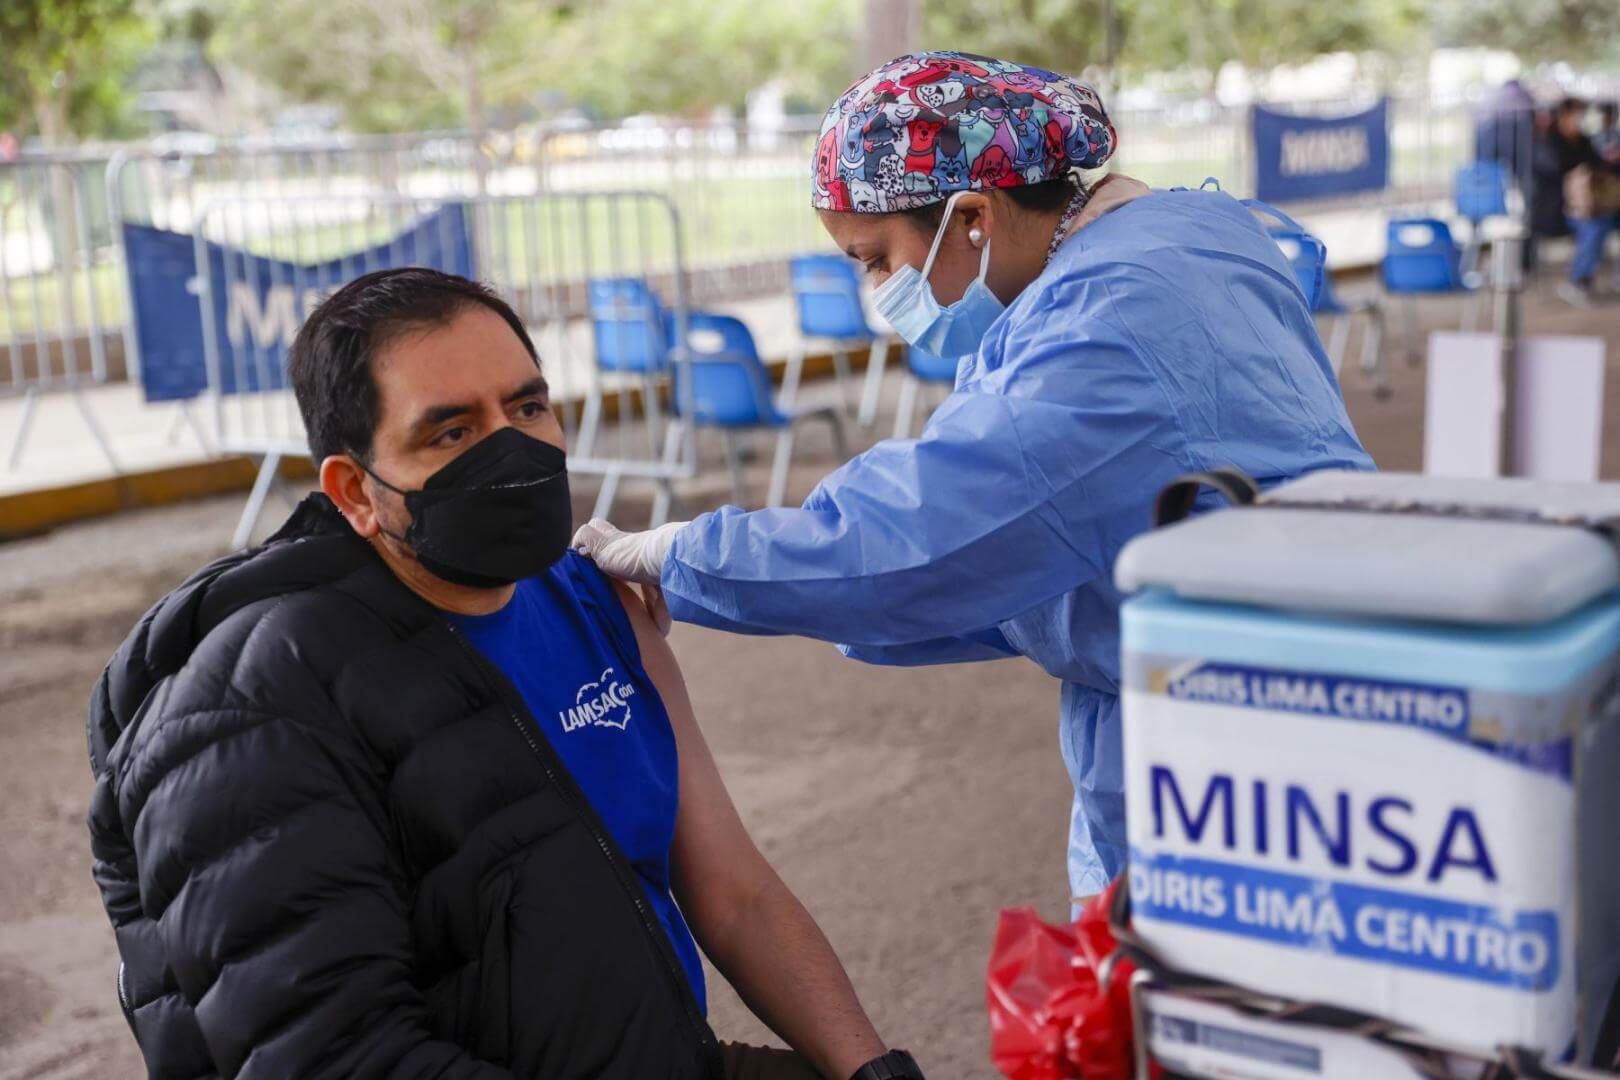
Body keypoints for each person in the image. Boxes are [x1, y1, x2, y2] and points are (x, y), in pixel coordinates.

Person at [573, 52, 1373, 911]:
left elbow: (919, 540)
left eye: (875, 258)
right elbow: (1032, 553)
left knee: (1203, 1010)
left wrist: (680, 554)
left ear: (974, 218)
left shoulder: (1104, 334)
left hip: (1238, 751)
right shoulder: (1184, 238)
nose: (879, 290)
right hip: (1269, 685)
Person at [85, 268, 924, 1080]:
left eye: (527, 406)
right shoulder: (257, 710)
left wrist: (872, 1071)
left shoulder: (591, 602)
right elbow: (329, 1056)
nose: (513, 452)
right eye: (450, 432)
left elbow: (735, 894)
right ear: (354, 492)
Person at [1533, 97, 1617, 306]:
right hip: (1557, 210)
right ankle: (1578, 280)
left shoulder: (1584, 141)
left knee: (1603, 221)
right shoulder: (1548, 142)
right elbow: (1555, 170)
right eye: (1577, 114)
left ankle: (1585, 278)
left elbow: (1599, 165)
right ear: (1564, 115)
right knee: (1594, 227)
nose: (1580, 119)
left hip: (1590, 207)